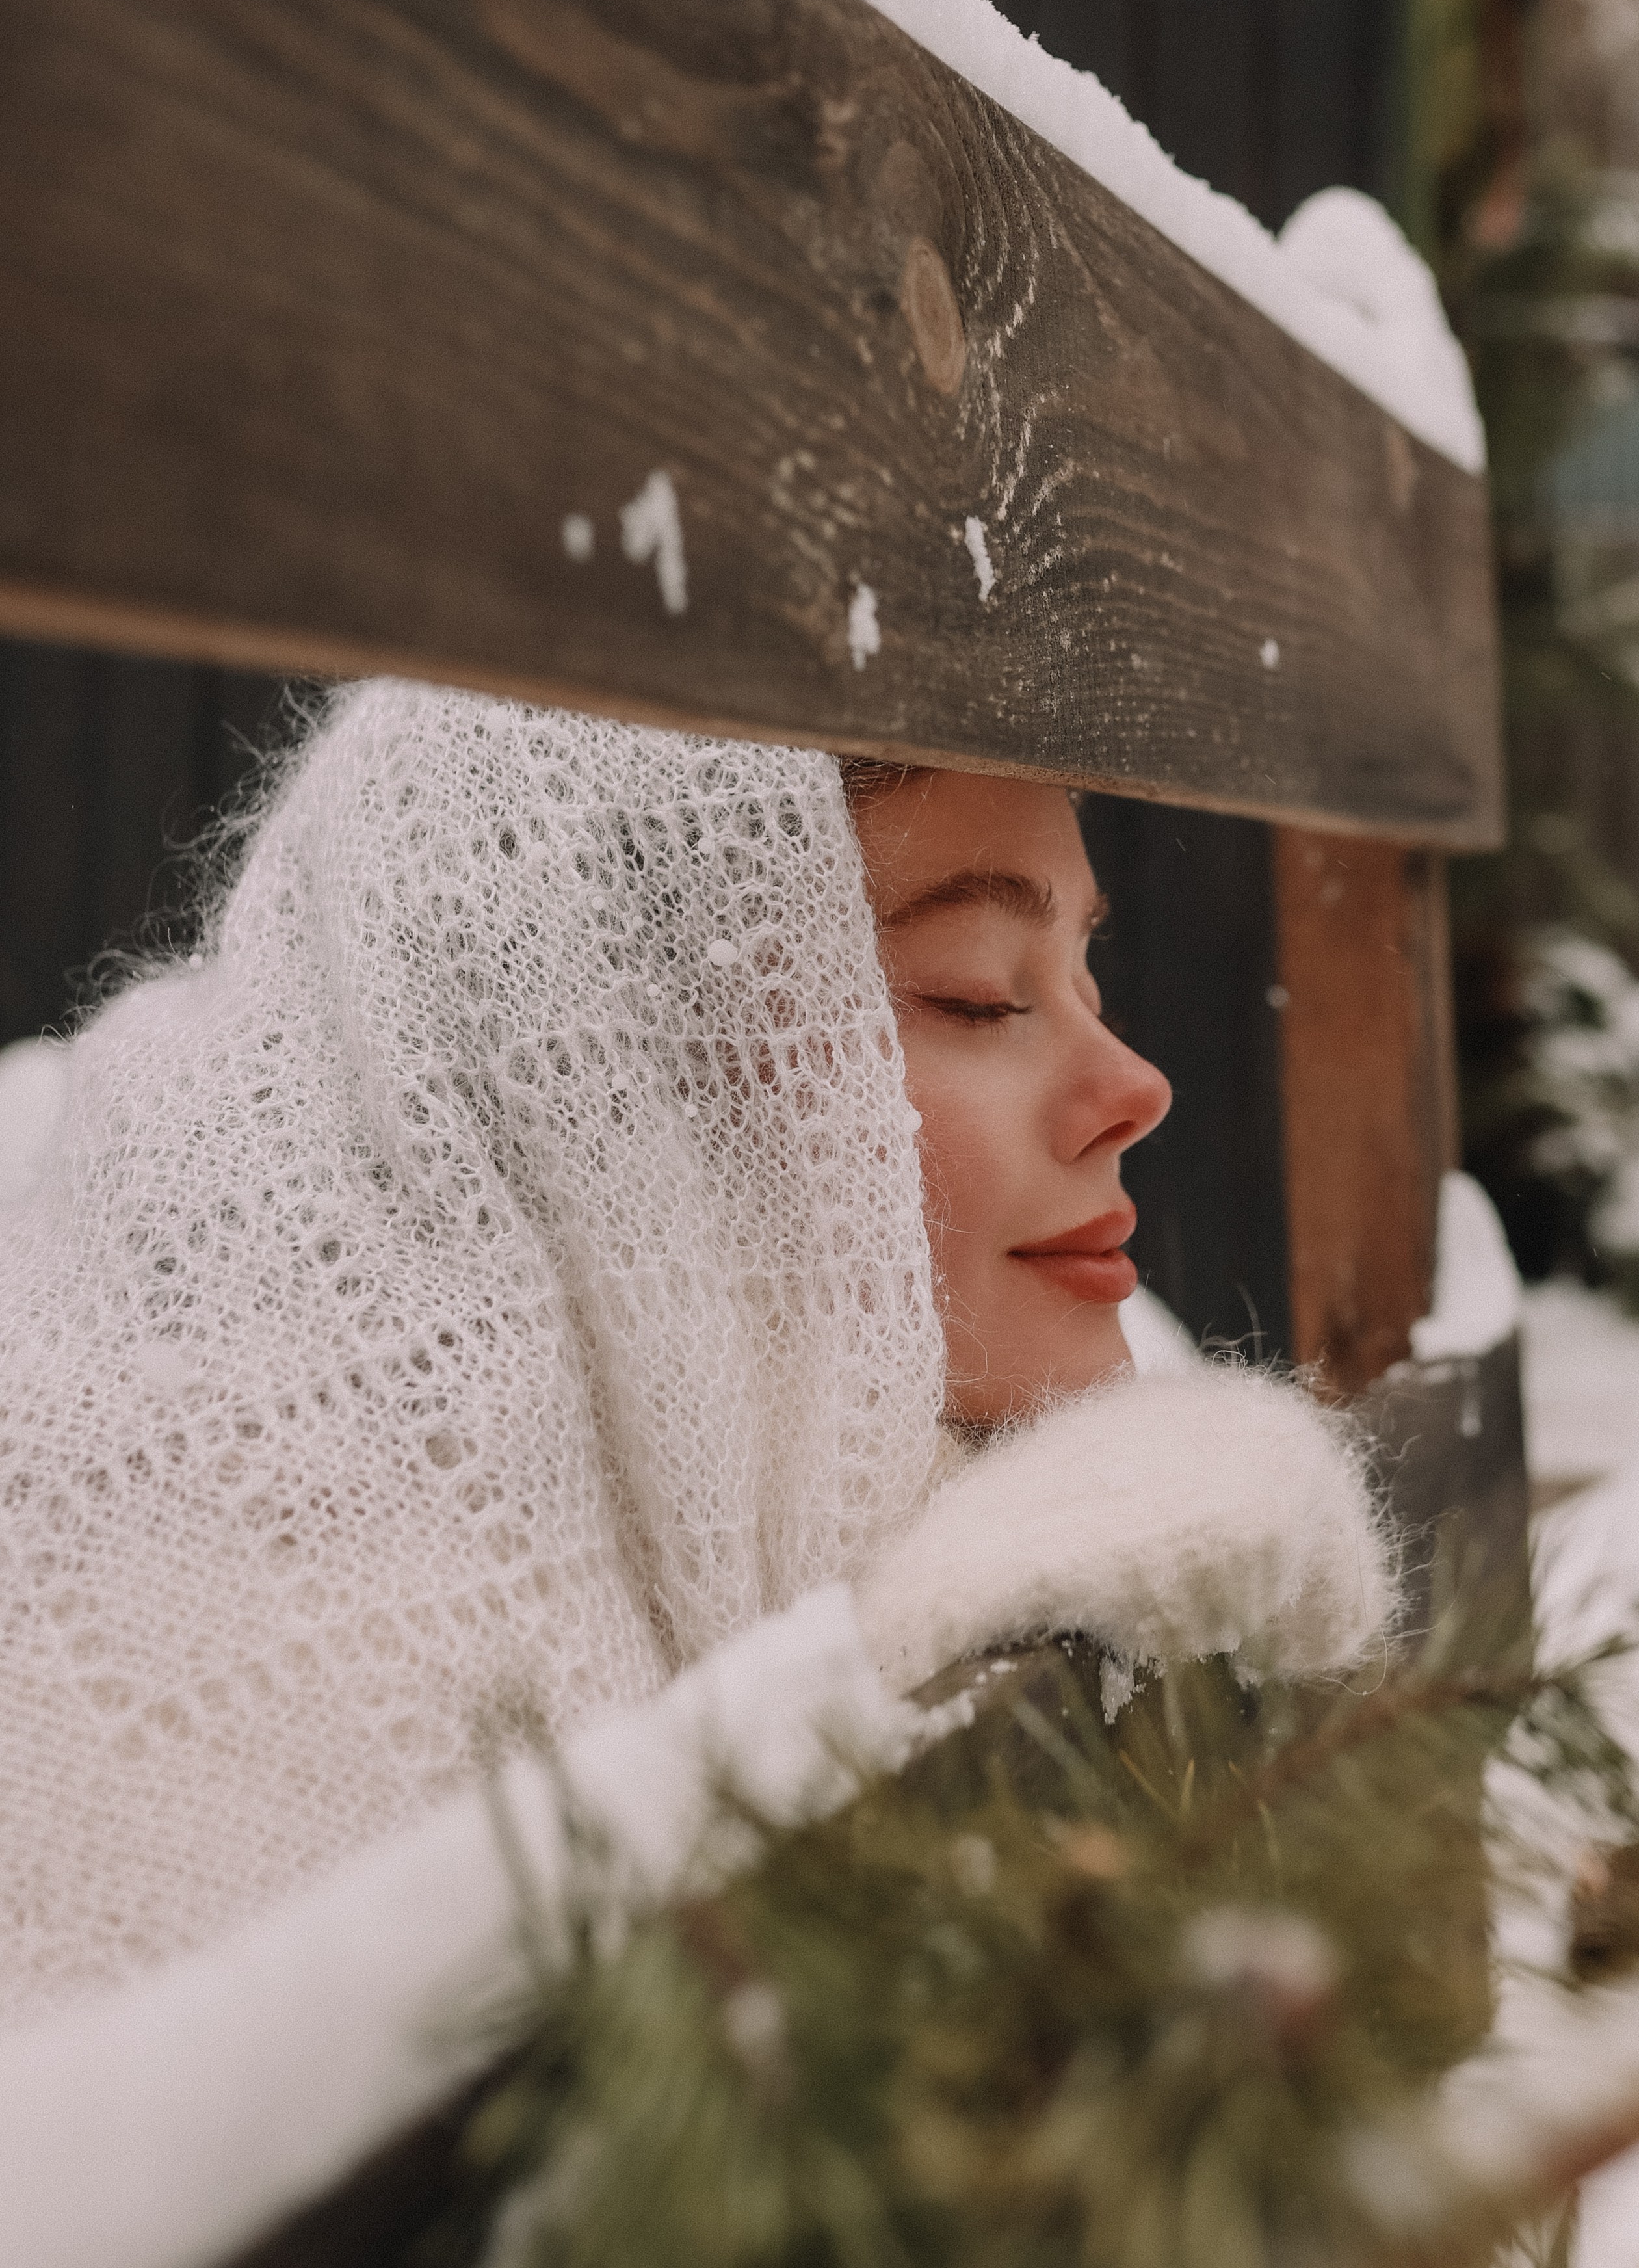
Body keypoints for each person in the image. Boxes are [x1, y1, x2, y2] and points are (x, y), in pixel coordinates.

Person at [0, 684, 1392, 2017]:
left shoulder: (795, 1451)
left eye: (1084, 973)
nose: (1136, 1086)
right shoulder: (218, 1623)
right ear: (603, 1080)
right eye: (978, 993)